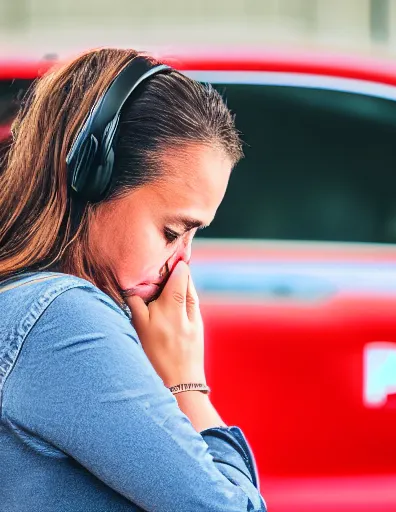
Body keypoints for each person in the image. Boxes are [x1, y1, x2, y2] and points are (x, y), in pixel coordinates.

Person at [0, 48, 266, 511]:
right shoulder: (62, 319)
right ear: (92, 179)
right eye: (171, 232)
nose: (181, 265)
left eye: (193, 236)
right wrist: (187, 383)